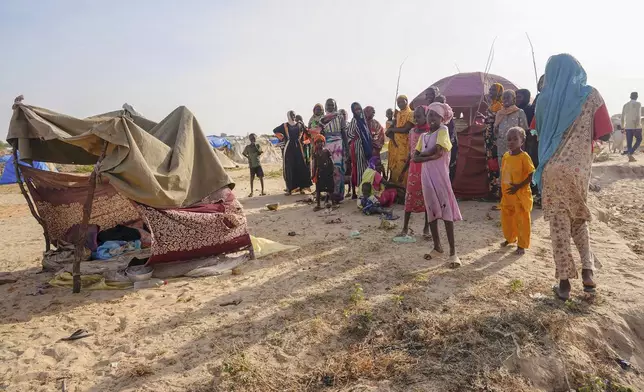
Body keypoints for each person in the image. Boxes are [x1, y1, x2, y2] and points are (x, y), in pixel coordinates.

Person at [533, 54, 612, 300]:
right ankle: (588, 272)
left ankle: (565, 284)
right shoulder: (591, 95)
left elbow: (535, 131)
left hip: (552, 169)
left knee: (559, 225)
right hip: (579, 171)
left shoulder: (544, 99)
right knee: (579, 218)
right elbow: (607, 135)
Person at [414, 102, 462, 268]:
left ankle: (453, 253)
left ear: (442, 118)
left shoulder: (443, 131)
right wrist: (429, 156)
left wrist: (424, 157)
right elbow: (415, 156)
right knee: (431, 211)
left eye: (435, 115)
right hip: (426, 177)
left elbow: (440, 151)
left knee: (446, 213)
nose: (432, 118)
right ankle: (437, 247)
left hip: (440, 178)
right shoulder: (423, 137)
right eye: (430, 114)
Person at [500, 127, 535, 255]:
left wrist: (518, 186)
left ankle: (522, 245)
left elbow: (531, 175)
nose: (512, 142)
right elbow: (503, 174)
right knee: (507, 218)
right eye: (509, 139)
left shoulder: (524, 157)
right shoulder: (505, 156)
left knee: (522, 220)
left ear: (522, 141)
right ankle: (510, 238)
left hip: (520, 195)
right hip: (507, 195)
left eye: (515, 139)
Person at [398, 106, 430, 238]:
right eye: (415, 117)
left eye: (419, 116)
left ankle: (426, 229)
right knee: (409, 197)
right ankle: (405, 227)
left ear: (426, 116)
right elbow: (410, 153)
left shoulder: (430, 132)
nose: (416, 119)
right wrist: (403, 171)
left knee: (428, 198)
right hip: (413, 169)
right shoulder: (412, 132)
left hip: (427, 168)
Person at [273, 111, 313, 195]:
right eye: (292, 115)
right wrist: (282, 138)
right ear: (288, 116)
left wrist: (307, 141)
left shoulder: (300, 124)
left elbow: (308, 132)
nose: (294, 116)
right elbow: (275, 130)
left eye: (294, 114)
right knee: (289, 167)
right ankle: (290, 189)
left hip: (299, 147)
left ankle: (302, 187)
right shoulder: (285, 125)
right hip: (289, 148)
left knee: (301, 165)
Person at [320, 98, 349, 203]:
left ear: (335, 106)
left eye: (332, 105)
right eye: (328, 105)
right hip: (327, 145)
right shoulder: (322, 120)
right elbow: (321, 135)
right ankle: (330, 193)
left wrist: (347, 148)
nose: (330, 107)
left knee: (338, 170)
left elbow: (344, 133)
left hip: (338, 145)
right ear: (325, 106)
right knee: (328, 170)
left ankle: (338, 194)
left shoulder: (340, 117)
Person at [386, 95, 415, 190]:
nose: (400, 104)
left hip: (406, 145)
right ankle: (396, 191)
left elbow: (406, 129)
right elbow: (390, 129)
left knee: (404, 166)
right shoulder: (397, 114)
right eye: (398, 103)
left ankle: (405, 190)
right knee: (396, 167)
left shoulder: (411, 114)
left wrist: (392, 130)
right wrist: (390, 131)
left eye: (402, 102)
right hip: (396, 146)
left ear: (407, 101)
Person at [495, 90, 529, 166]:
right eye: (504, 98)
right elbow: (496, 130)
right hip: (502, 145)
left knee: (515, 166)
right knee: (503, 166)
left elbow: (524, 131)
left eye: (508, 97)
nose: (505, 100)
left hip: (516, 145)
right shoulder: (499, 113)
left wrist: (522, 147)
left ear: (513, 99)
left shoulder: (519, 112)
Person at [347, 102, 373, 199]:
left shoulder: (363, 120)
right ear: (353, 111)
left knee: (366, 168)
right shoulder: (354, 120)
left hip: (365, 147)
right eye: (356, 109)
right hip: (358, 147)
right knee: (360, 169)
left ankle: (366, 190)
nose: (358, 111)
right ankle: (361, 191)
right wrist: (357, 138)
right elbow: (349, 134)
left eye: (359, 109)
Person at [484, 83, 505, 200]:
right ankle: (492, 191)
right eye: (490, 89)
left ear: (499, 92)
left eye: (493, 90)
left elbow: (497, 122)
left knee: (496, 164)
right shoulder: (492, 105)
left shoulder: (500, 106)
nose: (490, 92)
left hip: (495, 140)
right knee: (490, 164)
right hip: (489, 139)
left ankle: (497, 192)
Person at [435, 94, 458, 182]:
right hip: (438, 147)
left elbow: (450, 135)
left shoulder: (448, 116)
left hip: (447, 146)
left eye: (441, 102)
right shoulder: (434, 115)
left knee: (448, 167)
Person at [311, 134, 335, 211]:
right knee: (318, 190)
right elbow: (314, 165)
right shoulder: (315, 153)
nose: (319, 144)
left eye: (321, 142)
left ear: (324, 142)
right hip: (320, 173)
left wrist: (332, 171)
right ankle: (318, 205)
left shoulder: (326, 151)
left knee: (330, 189)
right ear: (315, 144)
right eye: (317, 142)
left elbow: (331, 162)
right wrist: (313, 174)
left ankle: (333, 203)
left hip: (327, 173)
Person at [621, 92, 642, 162]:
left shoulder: (625, 105)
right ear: (637, 97)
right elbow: (638, 116)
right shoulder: (638, 104)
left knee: (629, 142)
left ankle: (630, 154)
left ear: (630, 97)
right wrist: (636, 126)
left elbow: (622, 117)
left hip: (627, 127)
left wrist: (622, 127)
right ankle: (631, 152)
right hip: (636, 126)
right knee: (639, 139)